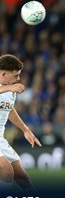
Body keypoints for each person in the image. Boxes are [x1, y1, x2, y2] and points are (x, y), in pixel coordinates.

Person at [0, 54, 42, 190]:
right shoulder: (9, 88)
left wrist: (25, 130)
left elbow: (8, 109)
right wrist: (8, 88)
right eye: (15, 75)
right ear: (3, 74)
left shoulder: (10, 89)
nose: (18, 79)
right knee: (6, 170)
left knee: (22, 177)